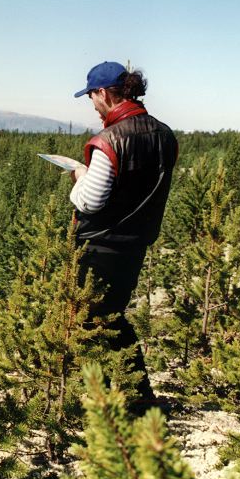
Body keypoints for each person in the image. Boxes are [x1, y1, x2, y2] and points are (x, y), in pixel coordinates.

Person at [70, 60, 178, 406]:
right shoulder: (164, 135)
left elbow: (90, 201)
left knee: (89, 322)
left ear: (103, 93)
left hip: (100, 245)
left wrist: (80, 178)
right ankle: (138, 396)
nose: (93, 104)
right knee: (113, 317)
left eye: (92, 96)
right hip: (135, 243)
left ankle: (108, 400)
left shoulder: (110, 139)